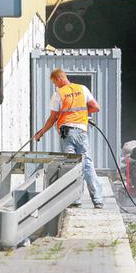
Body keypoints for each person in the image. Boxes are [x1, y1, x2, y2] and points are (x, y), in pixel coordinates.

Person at [33, 68, 104, 209]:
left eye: (55, 82)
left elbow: (52, 118)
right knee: (87, 163)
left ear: (60, 78)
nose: (55, 85)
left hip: (67, 133)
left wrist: (40, 133)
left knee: (72, 165)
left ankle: (75, 200)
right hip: (82, 132)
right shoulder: (82, 89)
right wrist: (83, 114)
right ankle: (98, 200)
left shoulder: (58, 94)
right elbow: (96, 107)